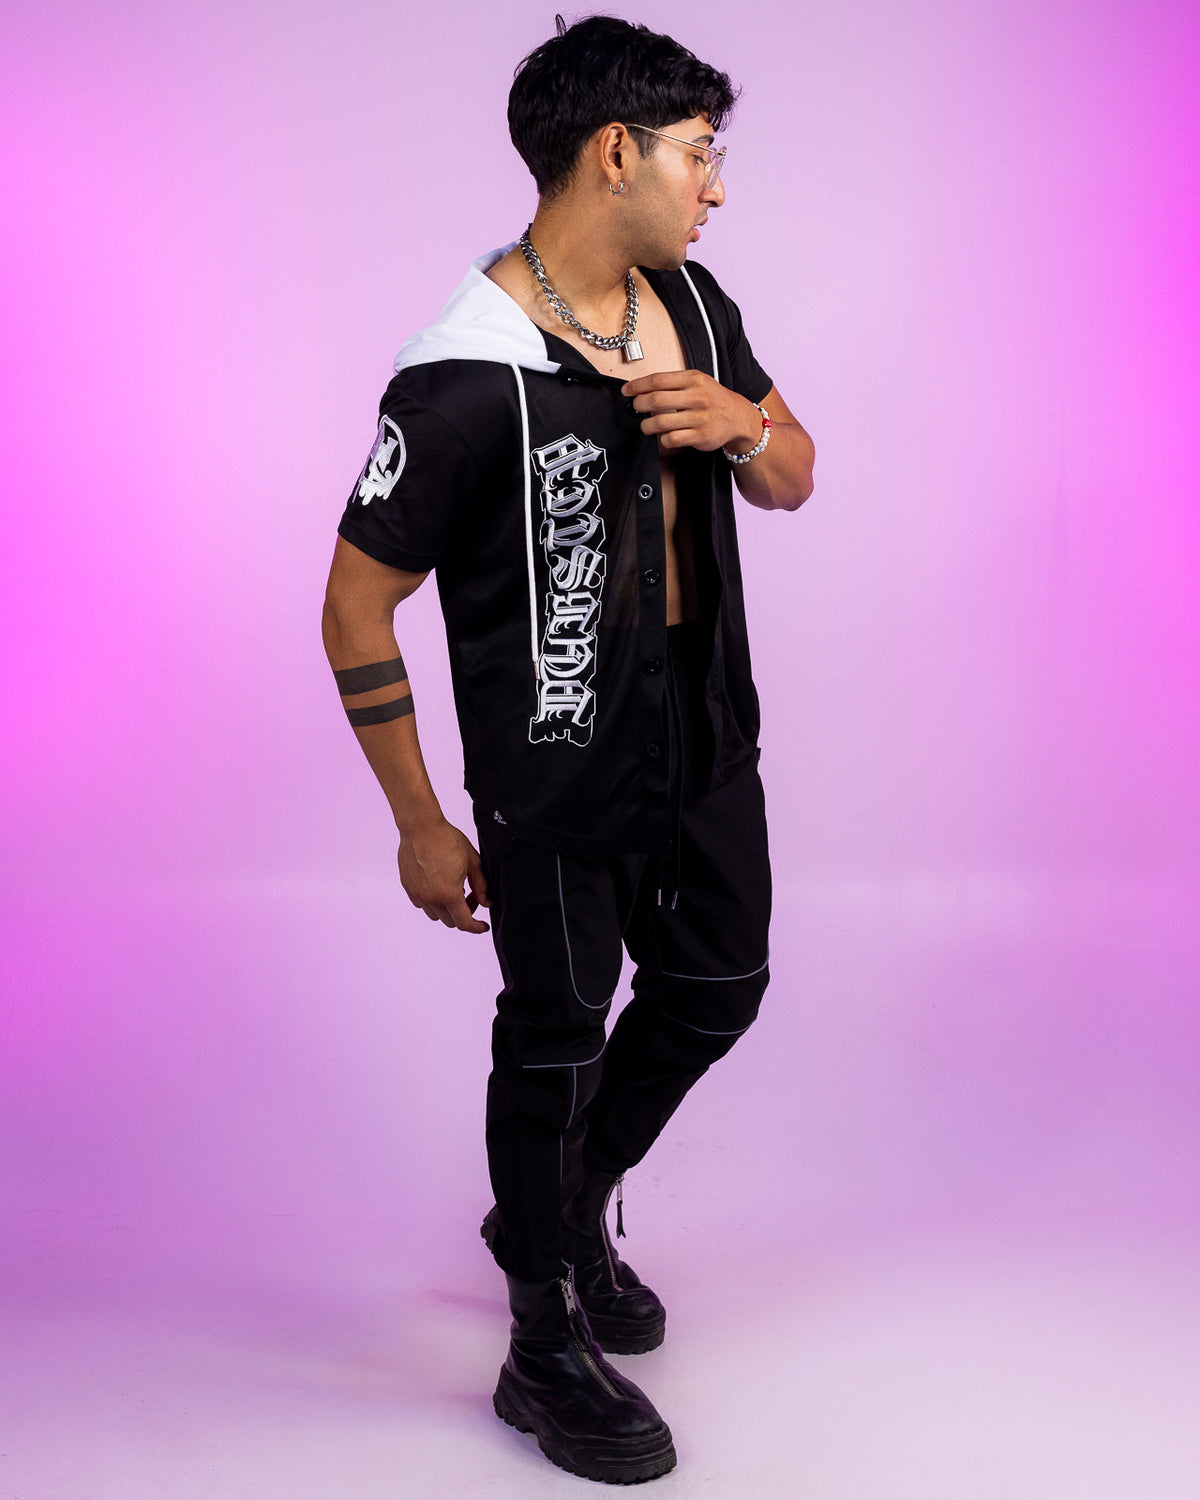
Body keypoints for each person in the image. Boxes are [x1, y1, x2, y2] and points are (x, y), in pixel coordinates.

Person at [322, 15, 814, 1484]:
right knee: (557, 1033)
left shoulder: (698, 306)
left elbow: (797, 473)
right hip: (551, 768)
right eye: (698, 156)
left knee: (721, 982)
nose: (716, 188)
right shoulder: (463, 371)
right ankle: (540, 1341)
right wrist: (419, 821)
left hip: (703, 731)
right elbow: (355, 601)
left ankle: (559, 1203)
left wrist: (738, 426)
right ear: (616, 152)